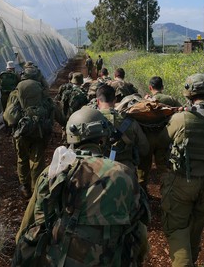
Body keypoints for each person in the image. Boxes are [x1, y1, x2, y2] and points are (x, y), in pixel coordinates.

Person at [14, 107, 150, 266]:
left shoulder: (54, 172)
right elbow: (139, 230)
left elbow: (27, 227)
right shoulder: (124, 174)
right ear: (103, 138)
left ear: (71, 137)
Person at [161, 73, 204, 266]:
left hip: (182, 181)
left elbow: (162, 142)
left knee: (176, 229)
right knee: (195, 228)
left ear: (189, 93)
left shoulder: (181, 118)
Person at [12, 72, 54, 198]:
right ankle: (36, 188)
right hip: (39, 129)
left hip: (23, 130)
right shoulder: (41, 90)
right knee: (37, 160)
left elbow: (9, 115)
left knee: (22, 158)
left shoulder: (16, 91)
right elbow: (51, 107)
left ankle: (24, 185)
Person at [138, 76, 181, 194]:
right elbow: (181, 111)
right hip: (165, 136)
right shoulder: (171, 99)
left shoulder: (145, 101)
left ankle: (143, 194)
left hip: (148, 138)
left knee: (144, 167)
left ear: (150, 87)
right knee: (164, 167)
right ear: (162, 87)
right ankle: (167, 193)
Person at [96, 84, 149, 172]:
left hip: (99, 170)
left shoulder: (91, 119)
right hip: (126, 171)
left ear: (97, 101)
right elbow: (144, 149)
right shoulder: (130, 122)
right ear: (115, 100)